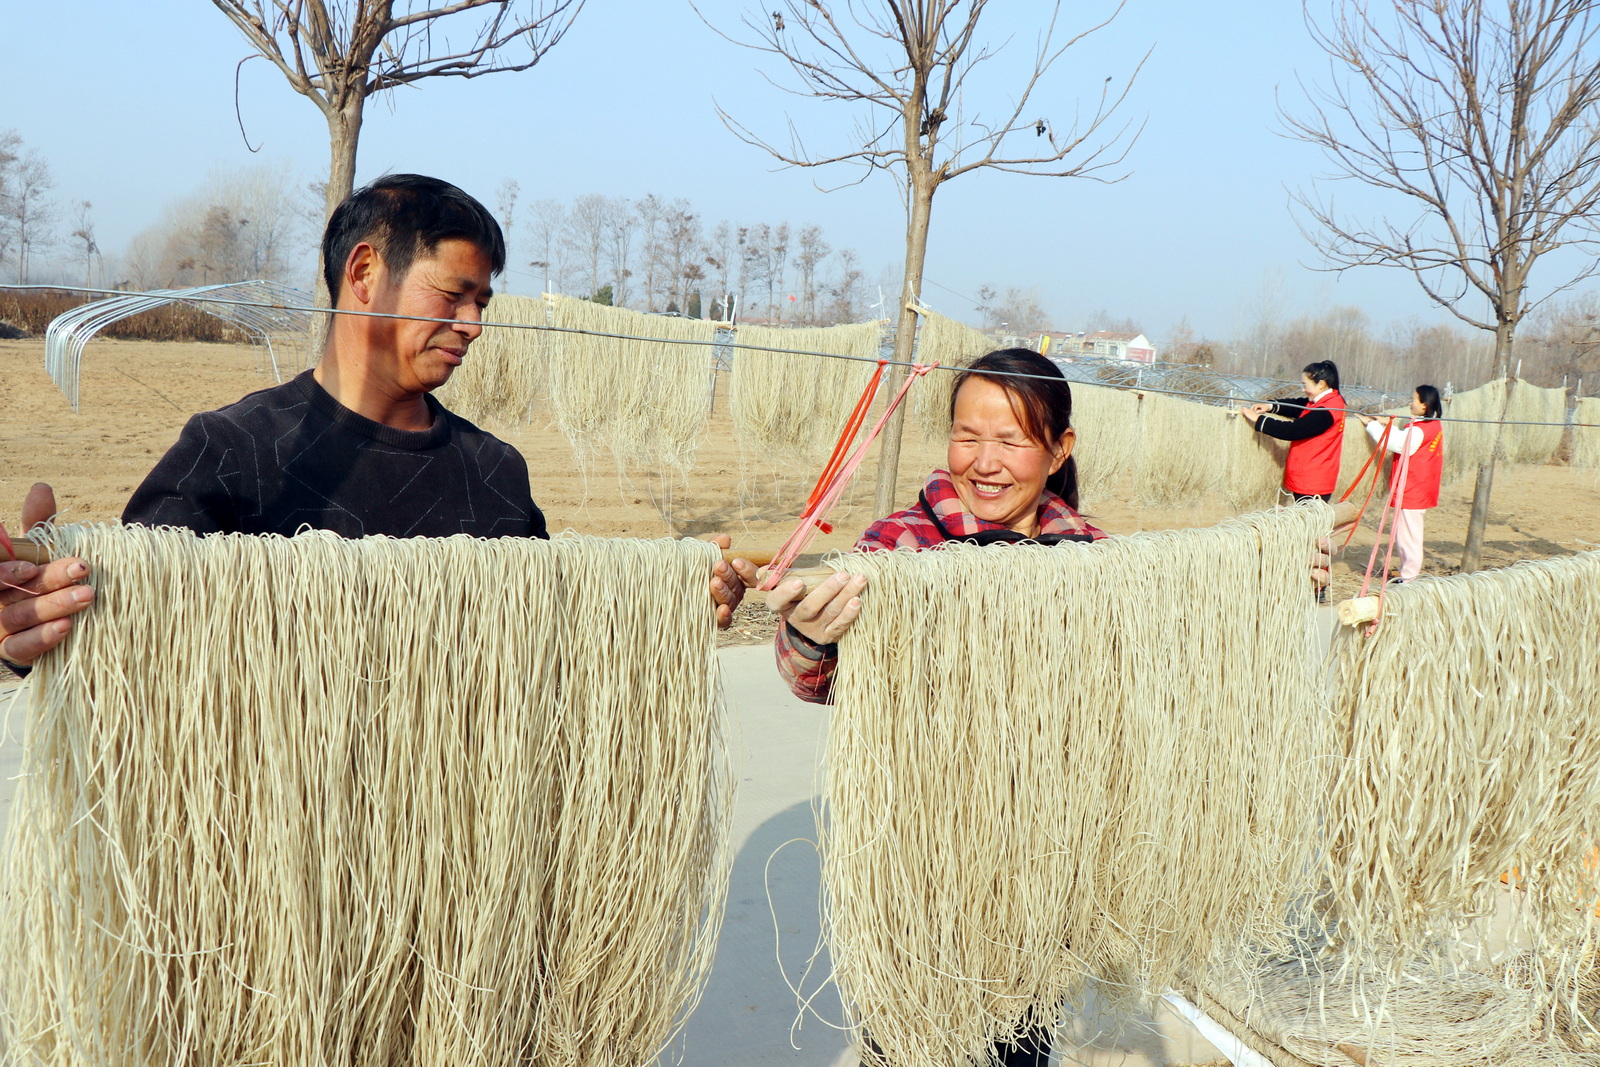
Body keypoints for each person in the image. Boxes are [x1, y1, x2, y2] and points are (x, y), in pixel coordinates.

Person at [1, 175, 754, 672]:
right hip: (279, 873)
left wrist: (666, 603)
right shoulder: (231, 451)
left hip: (456, 869)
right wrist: (33, 617)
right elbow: (126, 626)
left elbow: (550, 646)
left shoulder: (495, 473)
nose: (472, 326)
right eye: (454, 295)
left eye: (482, 304)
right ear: (364, 275)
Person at [770, 348, 1105, 1067]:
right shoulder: (899, 544)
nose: (984, 461)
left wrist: (1276, 579)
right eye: (967, 435)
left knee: (1020, 1045)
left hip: (1040, 869)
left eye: (1011, 441)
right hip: (914, 869)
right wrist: (809, 633)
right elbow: (810, 678)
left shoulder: (1096, 562)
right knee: (903, 1046)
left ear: (1058, 450)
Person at [1356, 384, 1443, 583]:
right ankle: (1407, 575)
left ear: (1424, 405)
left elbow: (1397, 444)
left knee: (1408, 537)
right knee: (1407, 534)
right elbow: (1405, 437)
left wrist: (1371, 425)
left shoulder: (1421, 430)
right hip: (1419, 487)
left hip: (1414, 489)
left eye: (1414, 399)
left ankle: (1409, 578)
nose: (1410, 403)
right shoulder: (1431, 425)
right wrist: (1388, 424)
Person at [1241, 360, 1347, 502]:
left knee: (1308, 522)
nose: (1303, 390)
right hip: (1313, 476)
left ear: (1321, 384)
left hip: (1313, 481)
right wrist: (1270, 406)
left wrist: (1259, 420)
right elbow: (1299, 405)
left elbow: (1293, 430)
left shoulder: (1327, 411)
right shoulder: (1328, 401)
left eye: (1305, 385)